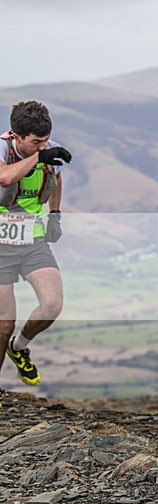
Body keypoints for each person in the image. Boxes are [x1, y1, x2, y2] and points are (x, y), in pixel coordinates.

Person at [0, 101, 72, 387]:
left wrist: (55, 215)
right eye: (36, 142)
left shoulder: (45, 149)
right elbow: (4, 177)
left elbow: (56, 178)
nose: (44, 146)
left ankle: (19, 349)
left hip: (32, 238)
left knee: (52, 304)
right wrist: (39, 158)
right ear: (17, 137)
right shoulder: (3, 148)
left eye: (46, 140)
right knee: (4, 325)